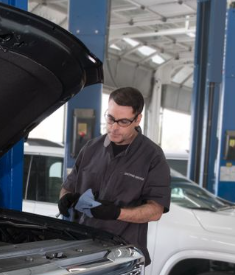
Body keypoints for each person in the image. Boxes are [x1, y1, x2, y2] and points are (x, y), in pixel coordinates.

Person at [59, 87, 170, 263]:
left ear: (138, 119)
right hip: (80, 249)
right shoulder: (90, 149)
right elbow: (68, 187)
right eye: (110, 119)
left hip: (123, 255)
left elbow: (155, 211)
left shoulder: (152, 156)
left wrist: (116, 213)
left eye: (123, 122)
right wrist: (65, 198)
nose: (114, 128)